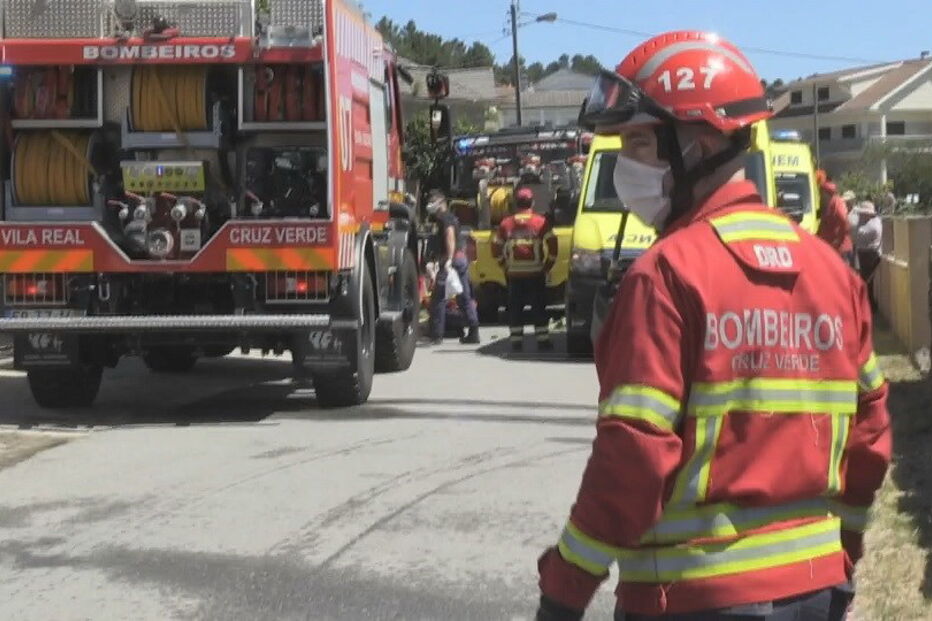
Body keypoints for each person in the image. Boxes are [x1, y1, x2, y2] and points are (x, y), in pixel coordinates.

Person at [535, 30, 891, 621]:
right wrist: (843, 555)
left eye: (640, 142)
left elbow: (634, 457)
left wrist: (565, 589)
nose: (627, 164)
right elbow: (870, 434)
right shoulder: (832, 272)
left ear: (697, 145)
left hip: (692, 598)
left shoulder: (665, 276)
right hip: (818, 592)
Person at [491, 186, 558, 351]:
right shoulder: (540, 222)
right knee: (539, 308)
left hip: (514, 275)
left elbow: (496, 246)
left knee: (515, 309)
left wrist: (503, 265)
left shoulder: (506, 224)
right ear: (532, 202)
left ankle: (516, 342)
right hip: (536, 273)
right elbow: (553, 246)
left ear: (515, 203)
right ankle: (542, 341)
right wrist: (547, 266)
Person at [425, 189, 480, 345]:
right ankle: (474, 330)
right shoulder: (443, 218)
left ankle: (436, 334)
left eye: (432, 201)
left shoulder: (445, 218)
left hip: (452, 261)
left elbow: (449, 236)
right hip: (459, 260)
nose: (430, 205)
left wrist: (448, 259)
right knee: (464, 297)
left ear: (441, 203)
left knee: (438, 297)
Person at [816, 172, 855, 265]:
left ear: (826, 193)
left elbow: (844, 222)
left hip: (841, 250)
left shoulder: (837, 202)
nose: (820, 196)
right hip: (833, 249)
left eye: (821, 193)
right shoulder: (828, 205)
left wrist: (838, 240)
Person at [851, 200, 883, 309]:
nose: (861, 215)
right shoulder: (869, 222)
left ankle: (869, 306)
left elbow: (857, 234)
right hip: (863, 254)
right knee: (866, 282)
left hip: (870, 255)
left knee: (866, 282)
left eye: (863, 214)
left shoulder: (874, 225)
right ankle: (869, 305)